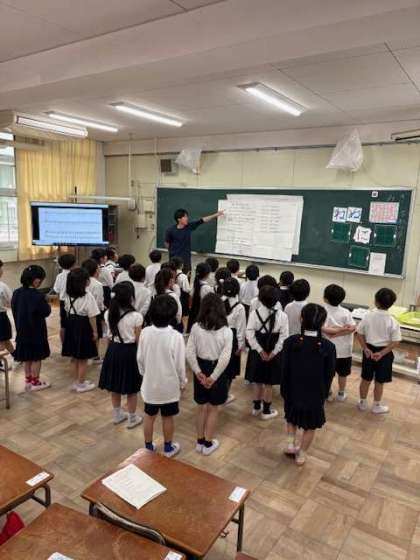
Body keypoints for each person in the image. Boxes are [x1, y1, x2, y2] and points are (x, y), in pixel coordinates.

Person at [281, 304, 336, 466]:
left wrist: (284, 389)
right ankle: (302, 454)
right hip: (315, 393)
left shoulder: (290, 342)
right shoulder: (328, 347)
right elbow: (330, 373)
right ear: (323, 323)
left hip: (292, 389)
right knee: (310, 425)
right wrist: (324, 392)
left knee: (291, 417)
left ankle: (290, 445)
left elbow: (284, 368)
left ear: (301, 319)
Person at [138, 295, 186, 457]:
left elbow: (140, 358)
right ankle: (168, 448)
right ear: (172, 316)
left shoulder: (145, 332)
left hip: (150, 384)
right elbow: (180, 365)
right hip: (169, 387)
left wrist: (144, 374)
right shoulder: (176, 337)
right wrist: (183, 382)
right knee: (168, 417)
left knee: (149, 416)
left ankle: (148, 447)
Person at [187, 293, 233, 456]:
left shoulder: (196, 327)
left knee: (201, 407)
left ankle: (199, 441)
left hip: (200, 367)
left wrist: (198, 372)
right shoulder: (227, 331)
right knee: (214, 408)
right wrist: (213, 377)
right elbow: (225, 358)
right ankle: (208, 443)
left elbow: (189, 352)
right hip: (217, 370)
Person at [99, 282, 143, 429]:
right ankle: (132, 418)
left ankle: (117, 415)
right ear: (130, 297)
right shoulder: (136, 316)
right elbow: (138, 340)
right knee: (132, 388)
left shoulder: (108, 313)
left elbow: (108, 336)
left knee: (115, 385)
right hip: (129, 352)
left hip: (113, 350)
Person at [356, 288, 401, 414]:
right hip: (384, 354)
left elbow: (359, 333)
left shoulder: (368, 316)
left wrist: (365, 348)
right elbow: (396, 341)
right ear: (391, 304)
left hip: (369, 351)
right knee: (380, 381)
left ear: (375, 301)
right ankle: (376, 406)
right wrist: (381, 353)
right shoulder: (393, 320)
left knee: (366, 379)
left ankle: (363, 403)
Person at [246, 285, 288, 418]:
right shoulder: (282, 316)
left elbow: (249, 334)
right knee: (269, 383)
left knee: (257, 380)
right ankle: (266, 411)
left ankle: (256, 407)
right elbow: (284, 337)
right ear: (277, 300)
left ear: (260, 299)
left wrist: (259, 350)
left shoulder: (254, 313)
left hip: (258, 350)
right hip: (274, 351)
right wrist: (274, 352)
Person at [12, 265, 51, 391]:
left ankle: (28, 380)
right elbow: (46, 312)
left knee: (27, 357)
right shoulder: (38, 296)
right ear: (36, 280)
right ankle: (35, 382)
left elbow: (14, 309)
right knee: (36, 358)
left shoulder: (16, 292)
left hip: (21, 331)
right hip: (36, 333)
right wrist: (46, 301)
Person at [62, 268, 99, 393]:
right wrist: (95, 331)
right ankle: (81, 384)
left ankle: (76, 382)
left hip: (71, 325)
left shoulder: (68, 295)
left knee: (74, 357)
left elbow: (67, 309)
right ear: (83, 282)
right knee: (83, 358)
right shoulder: (88, 296)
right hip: (83, 326)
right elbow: (92, 316)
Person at [323, 284, 356, 402]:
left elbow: (323, 329)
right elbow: (352, 328)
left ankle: (328, 392)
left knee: (327, 373)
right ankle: (341, 393)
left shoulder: (322, 310)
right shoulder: (346, 312)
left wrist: (334, 333)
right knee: (343, 374)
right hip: (344, 351)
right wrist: (342, 330)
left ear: (325, 298)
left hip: (328, 349)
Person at [222, 278, 246, 404]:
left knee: (218, 364)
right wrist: (241, 346)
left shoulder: (218, 301)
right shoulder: (240, 307)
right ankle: (224, 395)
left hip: (218, 336)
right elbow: (241, 329)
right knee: (230, 368)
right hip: (232, 339)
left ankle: (217, 391)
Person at [82, 258, 105, 364]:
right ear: (96, 270)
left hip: (82, 312)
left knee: (86, 332)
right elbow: (99, 302)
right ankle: (95, 356)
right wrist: (102, 307)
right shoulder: (97, 284)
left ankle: (85, 352)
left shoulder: (80, 281)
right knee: (96, 333)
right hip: (95, 312)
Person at [53, 253, 76, 344]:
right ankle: (73, 344)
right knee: (74, 324)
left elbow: (56, 290)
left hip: (63, 302)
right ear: (73, 264)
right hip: (74, 301)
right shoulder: (75, 275)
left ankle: (64, 345)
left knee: (63, 325)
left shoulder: (59, 276)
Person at [187, 262, 213, 332]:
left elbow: (190, 299)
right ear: (207, 274)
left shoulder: (193, 284)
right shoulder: (207, 288)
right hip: (203, 314)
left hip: (193, 313)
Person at [0, 261, 14, 356]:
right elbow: (11, 302)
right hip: (1, 317)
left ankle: (16, 355)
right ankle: (16, 356)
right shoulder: (2, 286)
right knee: (4, 341)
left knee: (5, 340)